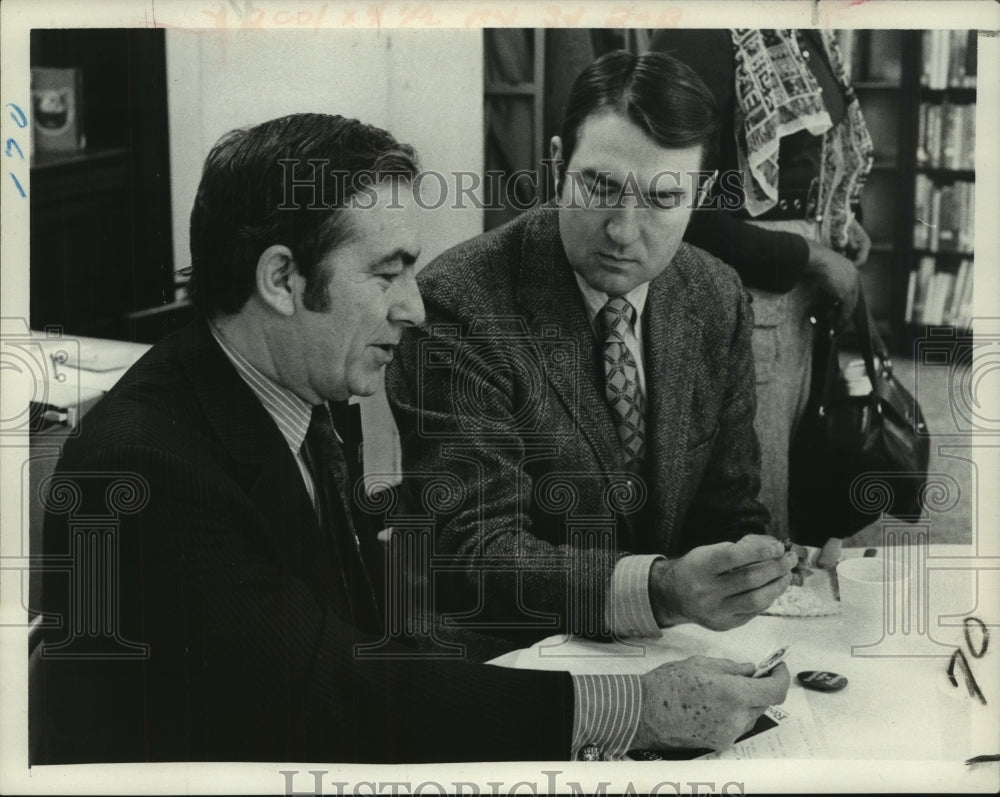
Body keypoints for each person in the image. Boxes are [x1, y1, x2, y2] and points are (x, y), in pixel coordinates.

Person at [34, 112, 790, 764]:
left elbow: (374, 632)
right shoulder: (148, 465)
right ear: (281, 280)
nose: (416, 308)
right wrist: (632, 711)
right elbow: (333, 696)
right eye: (389, 273)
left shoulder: (298, 389)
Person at [385, 51, 798, 658]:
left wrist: (761, 564)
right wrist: (661, 589)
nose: (624, 231)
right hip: (513, 666)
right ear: (557, 164)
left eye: (662, 199)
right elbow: (476, 549)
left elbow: (730, 508)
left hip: (671, 650)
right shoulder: (458, 305)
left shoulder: (716, 295)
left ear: (702, 193)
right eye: (600, 187)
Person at [650, 29, 875, 563]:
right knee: (756, 507)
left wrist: (843, 225)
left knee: (795, 487)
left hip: (804, 299)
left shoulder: (809, 33)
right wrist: (813, 256)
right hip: (746, 295)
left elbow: (812, 162)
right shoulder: (698, 33)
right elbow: (678, 212)